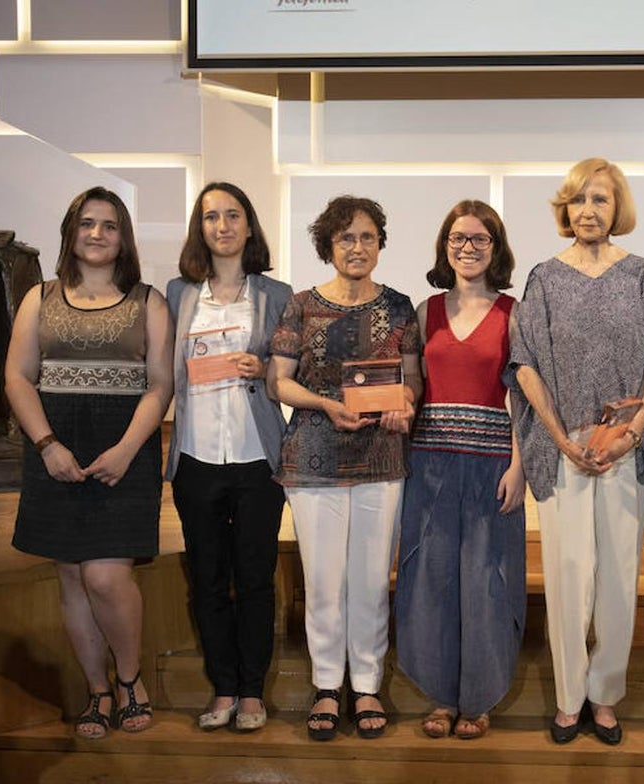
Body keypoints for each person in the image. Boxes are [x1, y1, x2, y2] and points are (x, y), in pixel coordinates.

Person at [511, 158, 644, 745]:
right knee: (569, 576)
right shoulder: (545, 278)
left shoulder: (639, 275)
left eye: (600, 200)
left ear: (616, 208)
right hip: (565, 449)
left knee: (619, 578)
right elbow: (524, 364)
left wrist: (634, 430)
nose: (588, 211)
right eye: (578, 200)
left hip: (627, 447)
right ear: (564, 209)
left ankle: (606, 696)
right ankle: (569, 698)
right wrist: (558, 440)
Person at [6, 187, 174, 738]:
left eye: (109, 225)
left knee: (105, 574)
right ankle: (96, 691)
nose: (97, 234)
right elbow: (17, 378)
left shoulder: (148, 300)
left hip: (124, 448)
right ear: (70, 233)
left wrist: (126, 449)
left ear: (123, 236)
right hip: (55, 446)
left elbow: (160, 383)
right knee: (73, 577)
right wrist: (47, 445)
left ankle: (129, 680)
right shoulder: (39, 296)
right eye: (87, 224)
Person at [267, 195, 422, 741]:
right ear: (328, 246)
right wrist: (326, 404)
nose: (357, 247)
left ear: (380, 243)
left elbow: (412, 380)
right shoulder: (302, 305)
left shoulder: (401, 307)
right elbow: (277, 380)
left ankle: (368, 684)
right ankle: (328, 684)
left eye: (367, 237)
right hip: (313, 455)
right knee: (325, 579)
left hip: (382, 457)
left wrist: (404, 401)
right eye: (346, 238)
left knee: (373, 577)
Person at [394, 200, 526, 741]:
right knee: (431, 577)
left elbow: (522, 394)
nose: (467, 248)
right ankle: (441, 696)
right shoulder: (423, 310)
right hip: (430, 464)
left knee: (486, 580)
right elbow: (412, 383)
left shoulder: (514, 312)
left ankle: (479, 697)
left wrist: (520, 466)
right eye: (458, 238)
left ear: (495, 248)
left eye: (479, 239)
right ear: (444, 247)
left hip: (493, 462)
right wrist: (397, 402)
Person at [166, 183, 292, 732]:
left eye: (232, 215)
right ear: (201, 227)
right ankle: (222, 687)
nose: (222, 225)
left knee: (257, 578)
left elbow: (297, 373)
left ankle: (252, 692)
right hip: (195, 455)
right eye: (211, 216)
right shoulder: (175, 293)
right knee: (209, 579)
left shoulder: (278, 294)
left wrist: (263, 369)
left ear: (248, 225)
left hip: (256, 456)